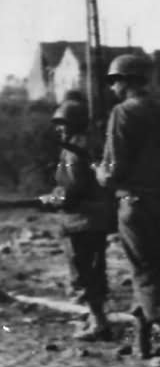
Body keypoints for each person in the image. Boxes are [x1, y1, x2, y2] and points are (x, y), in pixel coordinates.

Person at [95, 53, 160, 367]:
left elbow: (113, 170)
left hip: (134, 205)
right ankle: (143, 340)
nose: (112, 88)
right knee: (150, 272)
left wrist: (98, 173)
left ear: (124, 82)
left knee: (145, 274)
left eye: (114, 81)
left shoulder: (122, 113)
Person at [40, 98, 114, 341]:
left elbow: (73, 189)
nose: (60, 128)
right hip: (92, 219)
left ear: (76, 123)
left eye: (65, 123)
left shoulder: (74, 149)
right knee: (93, 271)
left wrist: (54, 199)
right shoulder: (86, 144)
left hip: (80, 221)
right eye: (59, 124)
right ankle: (96, 318)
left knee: (83, 274)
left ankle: (99, 322)